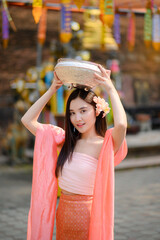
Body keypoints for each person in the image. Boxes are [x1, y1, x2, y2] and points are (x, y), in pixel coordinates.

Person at [21, 64, 128, 240]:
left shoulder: (105, 145)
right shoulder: (64, 140)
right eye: (72, 113)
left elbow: (122, 125)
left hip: (88, 216)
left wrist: (110, 88)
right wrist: (52, 89)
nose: (77, 118)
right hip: (63, 212)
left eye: (83, 111)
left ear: (97, 111)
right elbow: (27, 120)